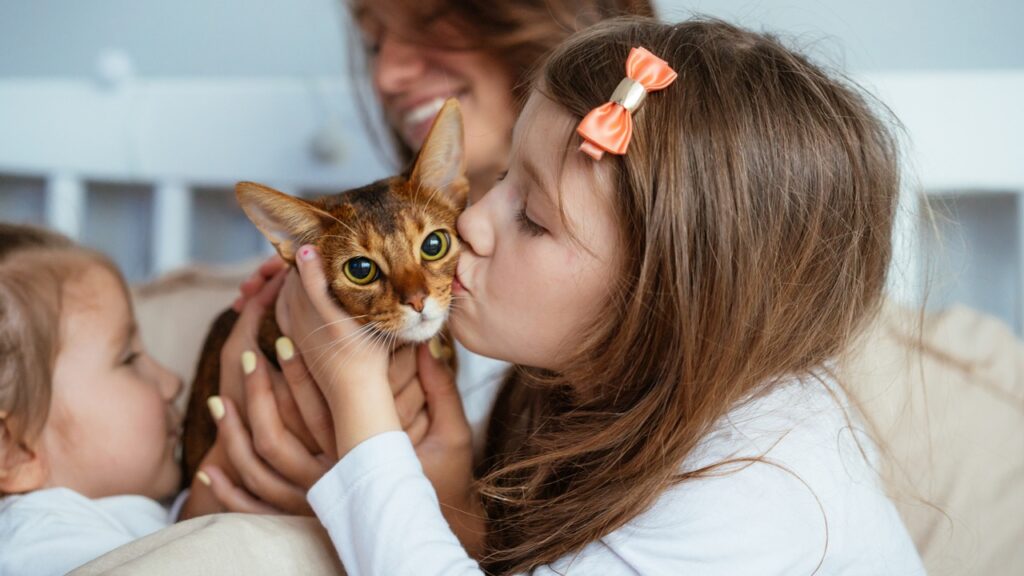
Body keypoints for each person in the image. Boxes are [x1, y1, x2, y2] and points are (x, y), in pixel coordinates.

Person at [228, 16, 927, 574]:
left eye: (532, 217)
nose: (469, 222)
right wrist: (446, 495)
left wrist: (357, 401)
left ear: (665, 297)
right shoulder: (580, 386)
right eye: (503, 179)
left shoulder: (756, 487)